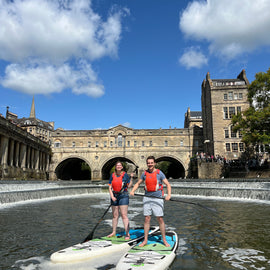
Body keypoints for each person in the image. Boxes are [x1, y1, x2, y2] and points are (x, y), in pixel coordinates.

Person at [130, 156, 171, 247]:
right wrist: (133, 191)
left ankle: (164, 240)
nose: (150, 164)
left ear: (154, 163)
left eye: (151, 162)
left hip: (158, 198)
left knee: (159, 218)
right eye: (148, 163)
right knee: (147, 218)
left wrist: (168, 195)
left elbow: (168, 184)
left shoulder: (160, 173)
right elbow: (138, 183)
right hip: (147, 198)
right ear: (147, 164)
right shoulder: (144, 174)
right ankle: (145, 240)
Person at [108, 161, 133, 240]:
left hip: (123, 196)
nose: (118, 166)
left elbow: (129, 186)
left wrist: (131, 178)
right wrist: (112, 196)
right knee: (115, 216)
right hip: (114, 195)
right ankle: (114, 232)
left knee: (124, 215)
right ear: (115, 167)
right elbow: (109, 187)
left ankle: (127, 233)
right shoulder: (112, 175)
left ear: (122, 167)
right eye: (117, 165)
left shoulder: (125, 175)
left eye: (120, 165)